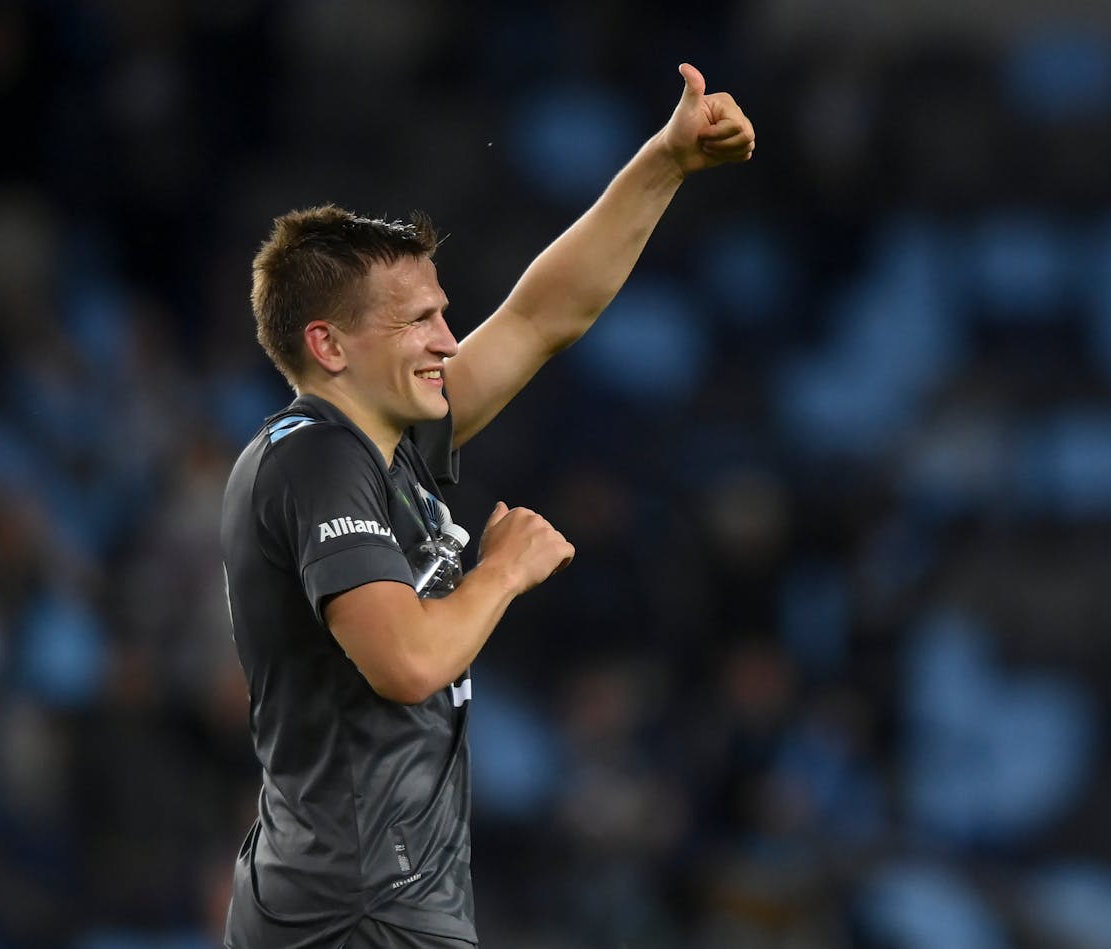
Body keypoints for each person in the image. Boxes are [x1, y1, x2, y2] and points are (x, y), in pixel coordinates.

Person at [219, 63, 754, 949]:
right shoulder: (315, 458)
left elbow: (545, 315)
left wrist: (665, 161)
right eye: (417, 321)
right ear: (329, 344)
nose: (444, 338)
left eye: (442, 313)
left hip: (370, 903)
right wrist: (502, 570)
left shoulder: (385, 443)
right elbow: (405, 659)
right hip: (353, 910)